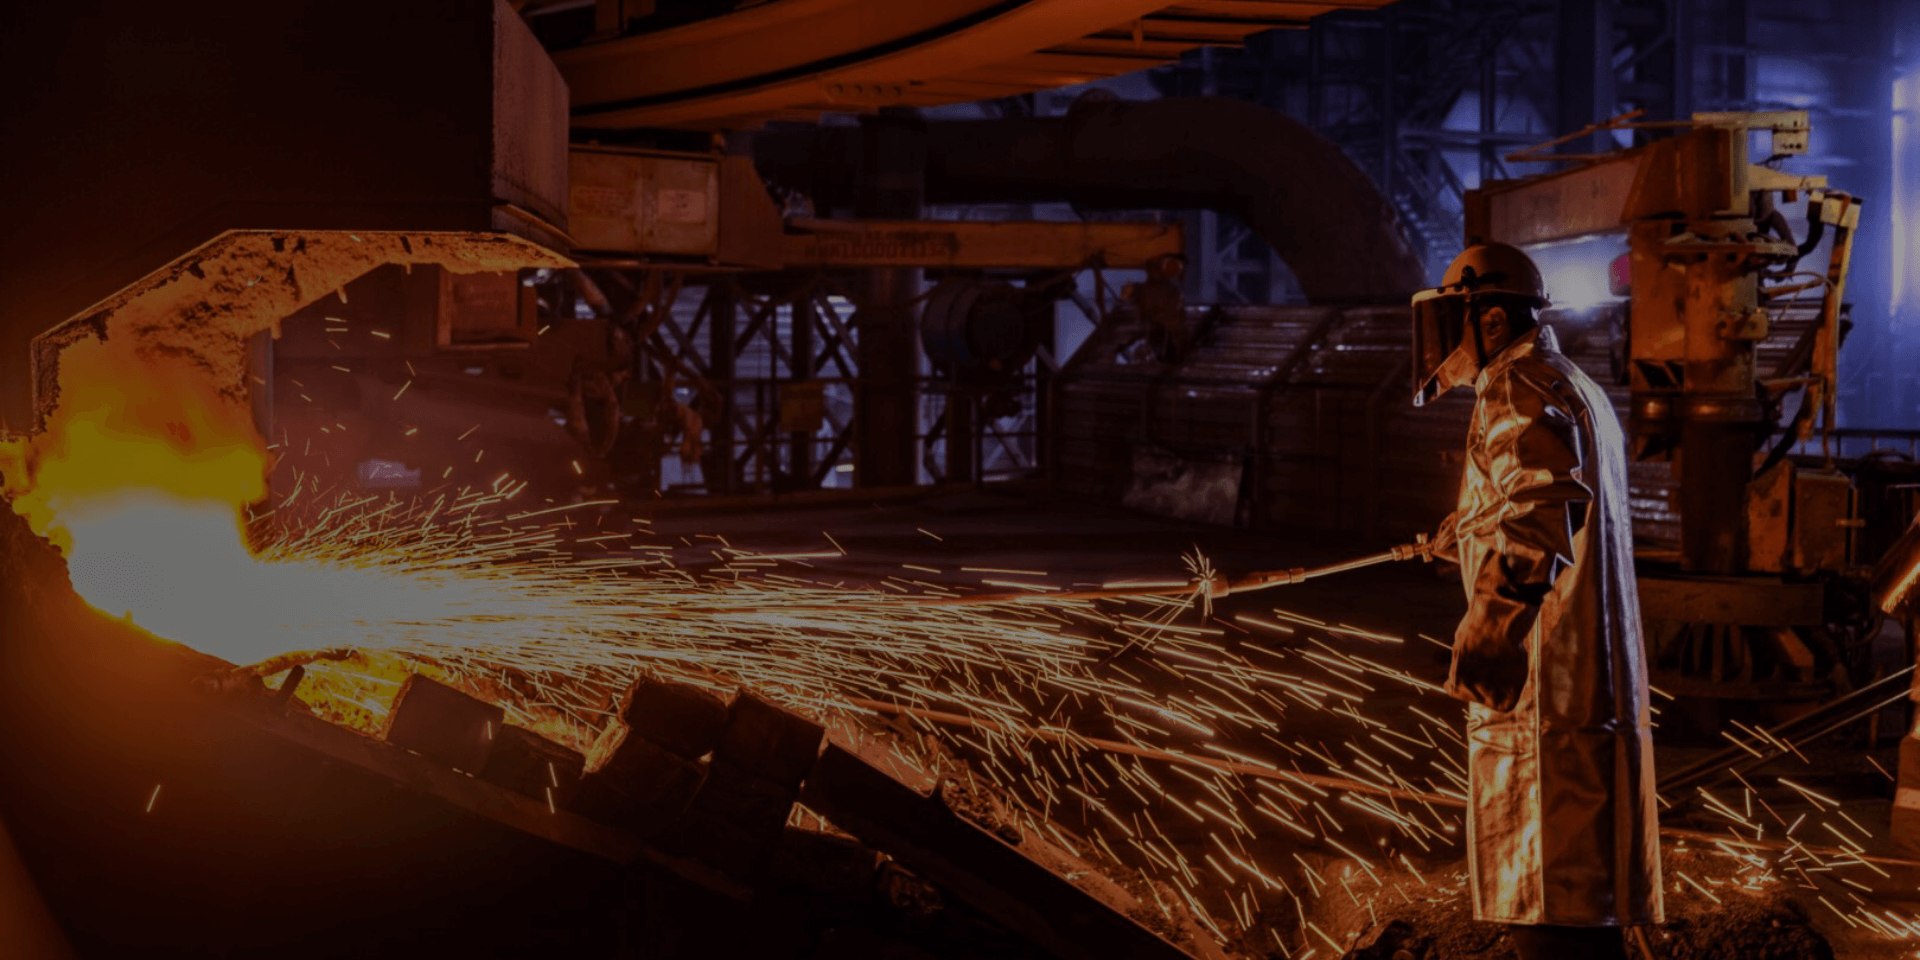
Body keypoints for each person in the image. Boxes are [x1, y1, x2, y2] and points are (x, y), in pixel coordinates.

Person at [1413, 243, 1662, 960]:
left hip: (1545, 690)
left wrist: (1492, 624)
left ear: (1488, 319)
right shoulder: (1570, 381)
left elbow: (1545, 503)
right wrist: (1466, 529)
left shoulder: (1517, 385)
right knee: (1587, 906)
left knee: (1548, 911)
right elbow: (1544, 492)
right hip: (1584, 689)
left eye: (1453, 317)